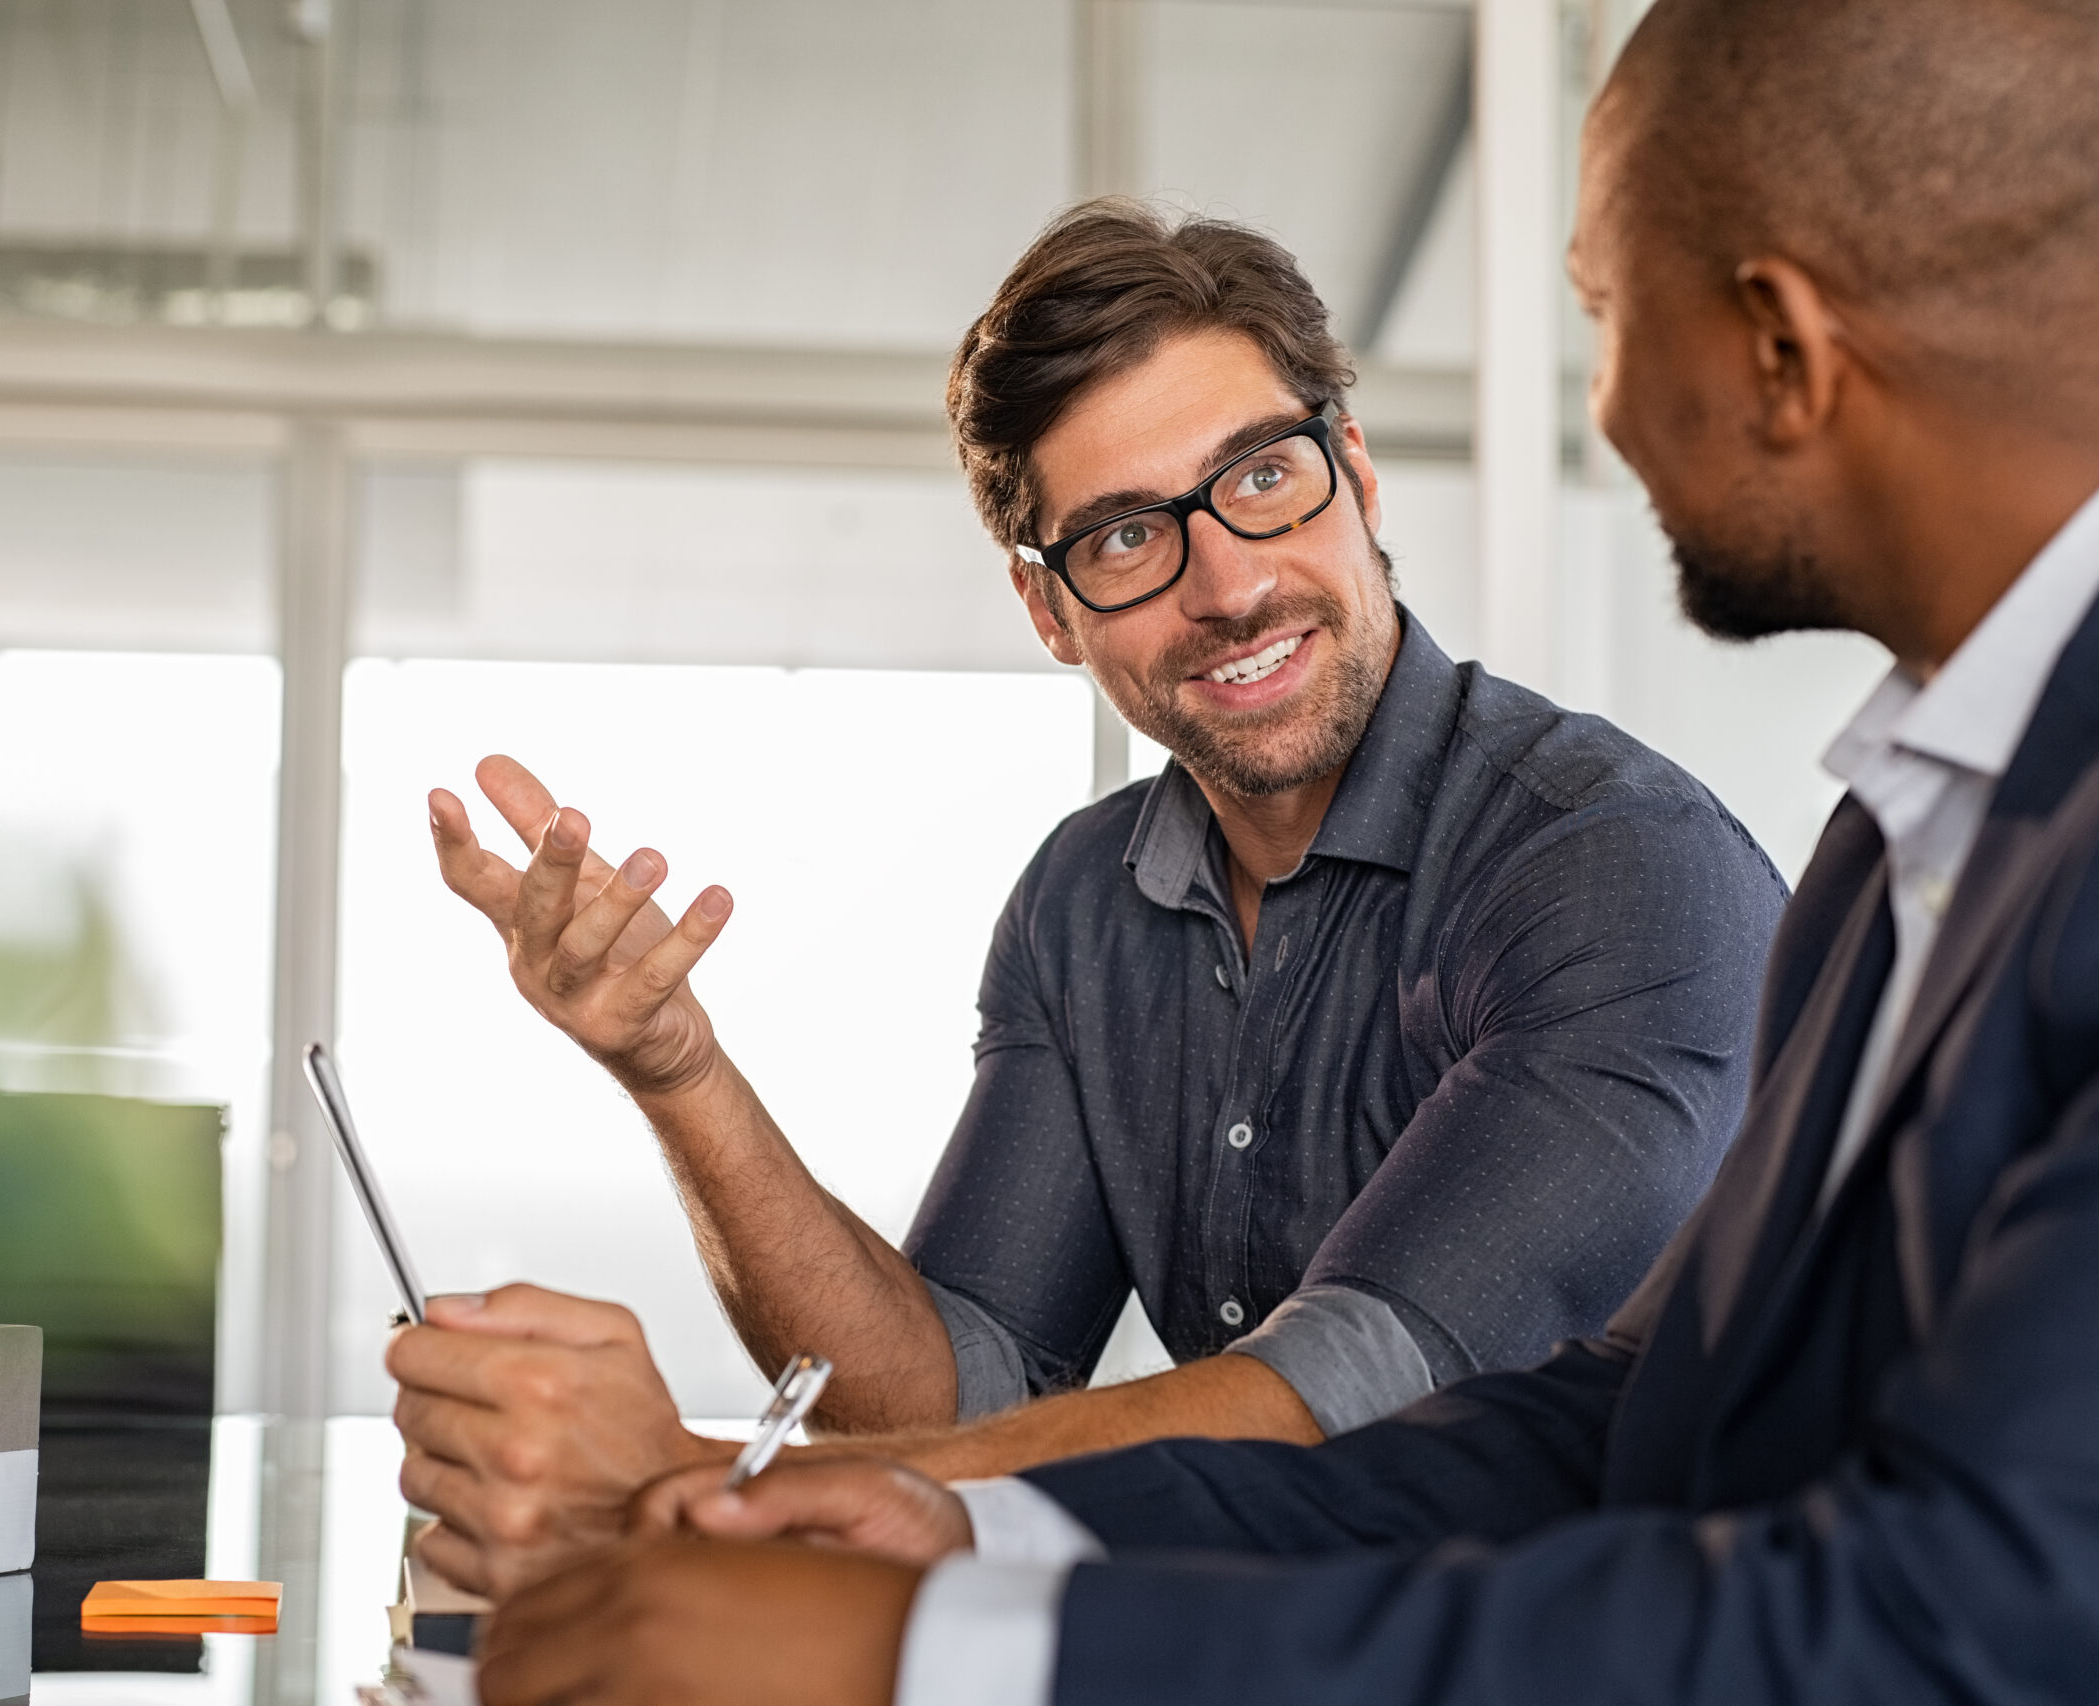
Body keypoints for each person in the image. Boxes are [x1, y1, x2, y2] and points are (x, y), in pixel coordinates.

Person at [468, 0, 2099, 1701]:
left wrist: (922, 1636)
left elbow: (1995, 1620)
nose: (1603, 408)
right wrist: (954, 1537)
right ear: (1050, 605)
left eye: (1603, 319)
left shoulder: (1691, 855)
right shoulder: (1906, 826)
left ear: (1776, 342)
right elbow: (1620, 1427)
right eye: (1135, 536)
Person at [389, 206, 1786, 1597]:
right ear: (1049, 609)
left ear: (1353, 470)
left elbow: (1345, 1390)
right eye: (1126, 538)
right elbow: (940, 1402)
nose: (1230, 583)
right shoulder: (1083, 901)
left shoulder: (1613, 865)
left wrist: (681, 1490)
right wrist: (675, 1066)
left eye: (1262, 479)